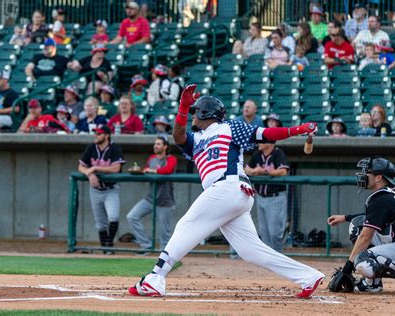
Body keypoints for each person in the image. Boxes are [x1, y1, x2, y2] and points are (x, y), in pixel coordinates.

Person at [128, 84, 324, 299]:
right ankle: (308, 276)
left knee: (186, 224)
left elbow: (266, 134)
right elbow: (178, 136)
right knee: (250, 250)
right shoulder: (197, 139)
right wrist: (183, 108)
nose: (193, 116)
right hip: (230, 194)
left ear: (206, 113)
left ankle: (156, 276)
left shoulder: (230, 127)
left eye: (195, 112)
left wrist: (299, 129)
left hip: (229, 187)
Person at [327, 157, 395, 295]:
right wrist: (345, 218)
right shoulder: (391, 193)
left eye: (368, 172)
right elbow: (370, 217)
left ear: (379, 177)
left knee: (362, 261)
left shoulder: (381, 198)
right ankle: (372, 283)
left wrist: (347, 267)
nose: (363, 175)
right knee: (357, 225)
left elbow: (365, 236)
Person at [78, 124, 125, 254]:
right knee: (100, 223)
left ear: (107, 135)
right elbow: (80, 167)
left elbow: (116, 169)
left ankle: (109, 246)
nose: (96, 135)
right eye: (95, 133)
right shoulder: (91, 147)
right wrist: (90, 173)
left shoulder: (114, 148)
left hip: (111, 189)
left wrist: (95, 168)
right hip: (95, 190)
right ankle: (105, 249)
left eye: (99, 133)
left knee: (113, 217)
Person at [127, 136, 177, 252]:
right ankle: (146, 245)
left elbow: (167, 170)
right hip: (150, 198)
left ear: (165, 146)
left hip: (165, 200)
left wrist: (151, 171)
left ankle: (164, 257)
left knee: (164, 234)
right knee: (132, 217)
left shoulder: (171, 158)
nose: (155, 146)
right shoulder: (152, 158)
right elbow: (146, 171)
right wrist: (140, 171)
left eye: (159, 144)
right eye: (155, 144)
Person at [245, 143, 289, 252]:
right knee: (264, 233)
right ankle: (268, 260)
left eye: (261, 141)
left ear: (269, 142)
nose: (259, 143)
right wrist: (255, 171)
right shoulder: (257, 155)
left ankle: (278, 258)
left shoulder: (278, 153)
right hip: (260, 197)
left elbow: (283, 171)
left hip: (275, 198)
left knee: (274, 233)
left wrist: (264, 171)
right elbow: (246, 169)